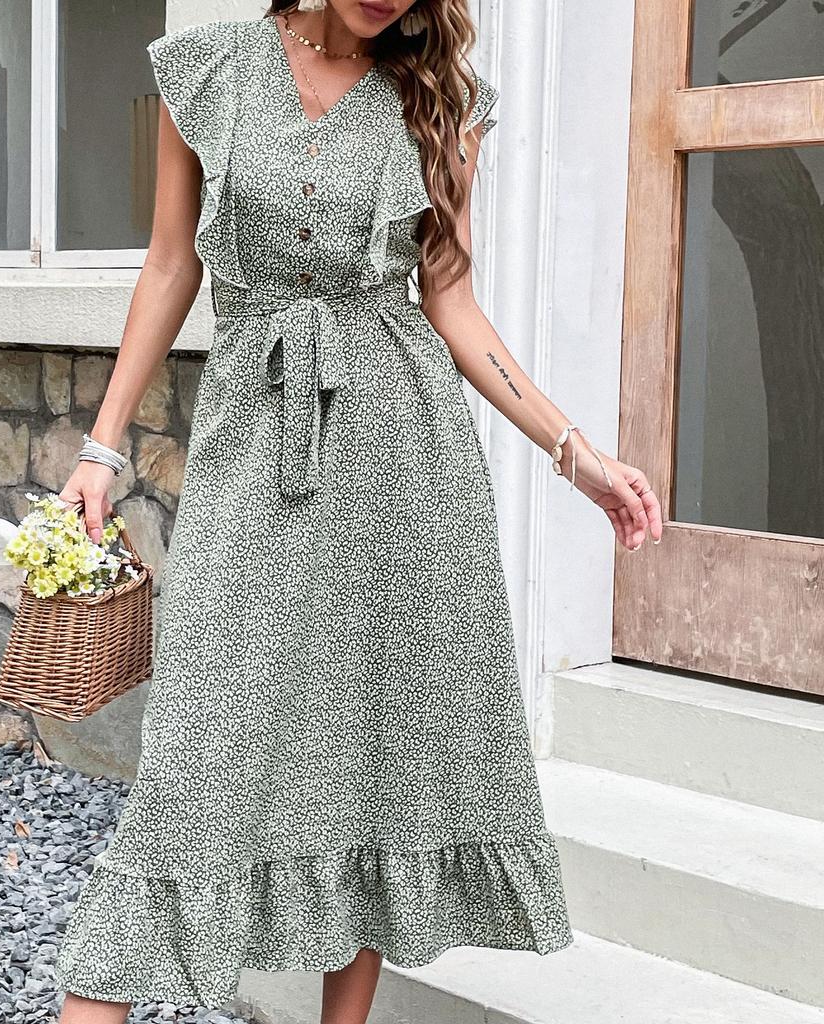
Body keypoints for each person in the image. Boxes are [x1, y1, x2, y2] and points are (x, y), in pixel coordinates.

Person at [51, 2, 663, 1023]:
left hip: (403, 464)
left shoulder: (441, 100)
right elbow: (170, 263)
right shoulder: (207, 70)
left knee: (376, 754)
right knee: (196, 751)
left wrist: (575, 453)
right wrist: (101, 447)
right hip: (254, 446)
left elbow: (451, 302)